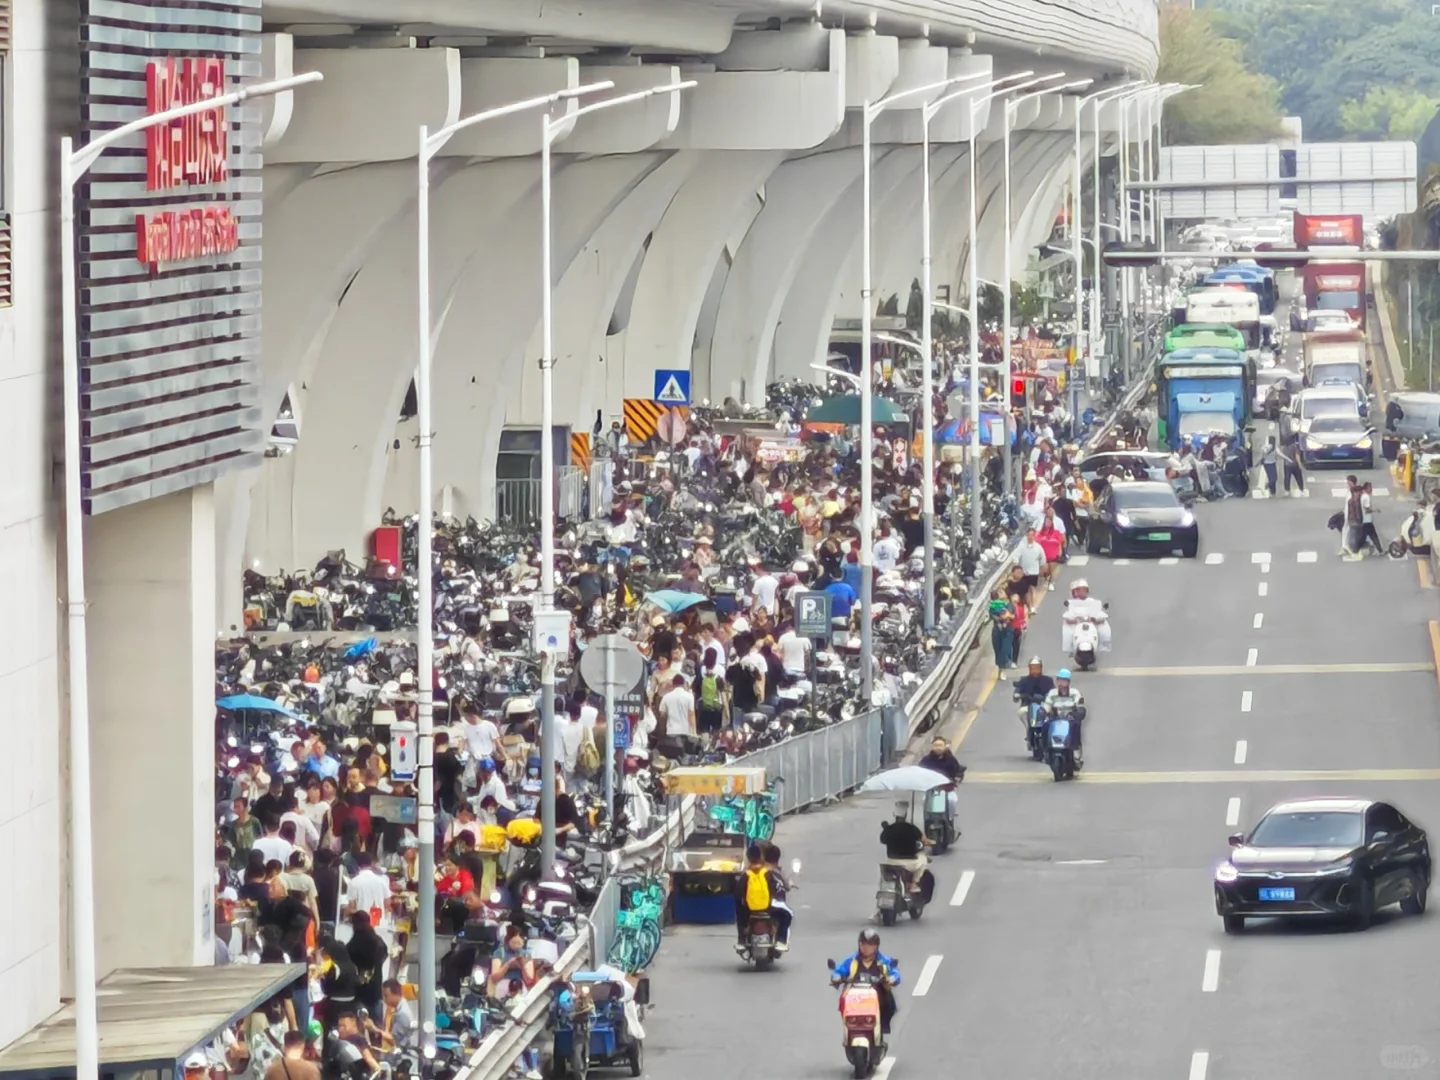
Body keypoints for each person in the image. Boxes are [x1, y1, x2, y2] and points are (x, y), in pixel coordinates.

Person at [830, 929, 901, 1037]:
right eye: (863, 944)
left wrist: (892, 979)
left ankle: (881, 1026)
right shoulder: (852, 961)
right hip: (855, 996)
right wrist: (836, 977)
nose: (866, 948)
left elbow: (894, 973)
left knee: (887, 1000)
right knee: (844, 998)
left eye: (870, 945)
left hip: (877, 995)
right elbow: (839, 970)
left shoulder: (883, 962)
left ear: (876, 947)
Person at [733, 843, 787, 951]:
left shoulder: (746, 874)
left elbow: (738, 893)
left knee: (740, 914)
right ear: (761, 858)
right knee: (784, 915)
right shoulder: (768, 873)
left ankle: (742, 940)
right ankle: (781, 940)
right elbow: (776, 889)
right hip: (768, 908)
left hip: (750, 909)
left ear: (748, 859)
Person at [878, 801, 933, 903]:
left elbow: (883, 840)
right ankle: (914, 883)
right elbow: (924, 841)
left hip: (891, 862)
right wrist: (931, 842)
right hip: (909, 864)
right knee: (923, 860)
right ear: (906, 815)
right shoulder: (912, 828)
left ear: (895, 815)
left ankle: (878, 912)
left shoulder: (889, 829)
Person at [1042, 668, 1088, 767]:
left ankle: (1076, 753)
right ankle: (1046, 751)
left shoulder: (1075, 693)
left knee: (1075, 726)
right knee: (1045, 725)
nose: (1062, 683)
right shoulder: (1052, 693)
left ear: (1068, 682)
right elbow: (1047, 705)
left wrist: (1078, 713)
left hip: (1069, 719)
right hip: (1055, 718)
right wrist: (1044, 711)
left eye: (1064, 681)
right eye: (1060, 680)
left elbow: (1080, 706)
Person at [918, 737, 964, 819]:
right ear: (932, 747)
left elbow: (958, 771)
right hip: (931, 789)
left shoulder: (951, 759)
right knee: (925, 801)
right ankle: (928, 820)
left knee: (952, 801)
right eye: (936, 745)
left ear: (944, 747)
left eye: (940, 745)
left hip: (948, 789)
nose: (938, 748)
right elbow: (919, 771)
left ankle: (950, 820)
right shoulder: (926, 760)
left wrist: (957, 778)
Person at [760, 843, 795, 947]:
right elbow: (787, 886)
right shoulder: (778, 872)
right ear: (777, 859)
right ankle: (781, 940)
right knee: (787, 915)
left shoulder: (757, 870)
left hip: (755, 905)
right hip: (773, 905)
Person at [1359, 481, 1384, 554]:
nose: (1372, 489)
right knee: (1373, 535)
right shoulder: (1366, 497)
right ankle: (1380, 550)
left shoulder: (1362, 496)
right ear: (1367, 488)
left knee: (1363, 537)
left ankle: (1356, 548)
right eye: (1370, 488)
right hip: (1367, 520)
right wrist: (1375, 510)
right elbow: (1367, 510)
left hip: (1363, 520)